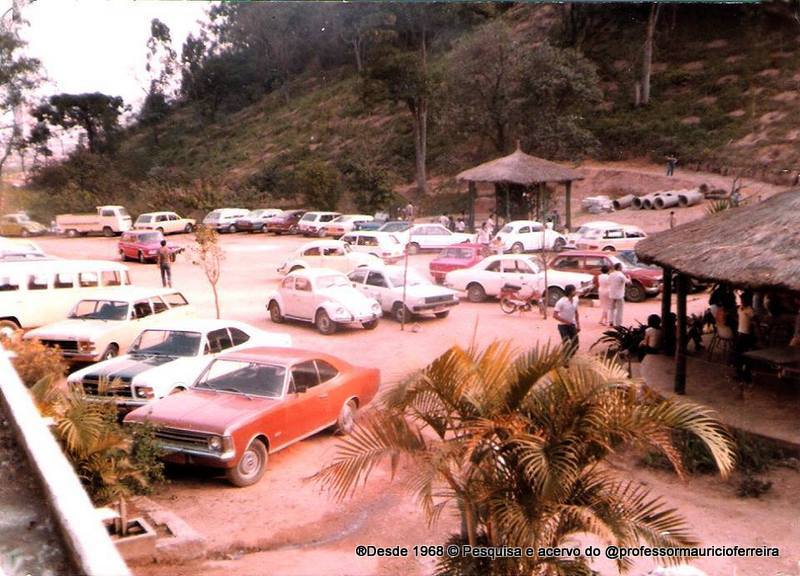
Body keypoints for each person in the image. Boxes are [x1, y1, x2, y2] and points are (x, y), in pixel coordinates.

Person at [554, 284, 580, 358]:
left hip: (572, 325)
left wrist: (578, 324)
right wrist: (566, 322)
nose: (576, 292)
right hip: (563, 326)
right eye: (574, 290)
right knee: (566, 343)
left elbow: (576, 312)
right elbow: (555, 315)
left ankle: (568, 356)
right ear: (571, 291)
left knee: (576, 344)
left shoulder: (575, 300)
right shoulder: (561, 302)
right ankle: (565, 359)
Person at [734, 292, 755, 380]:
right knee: (738, 354)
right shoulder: (740, 309)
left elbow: (754, 319)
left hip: (746, 335)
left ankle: (745, 374)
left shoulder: (750, 310)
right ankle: (739, 373)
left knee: (744, 355)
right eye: (741, 300)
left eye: (743, 300)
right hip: (740, 333)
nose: (742, 302)